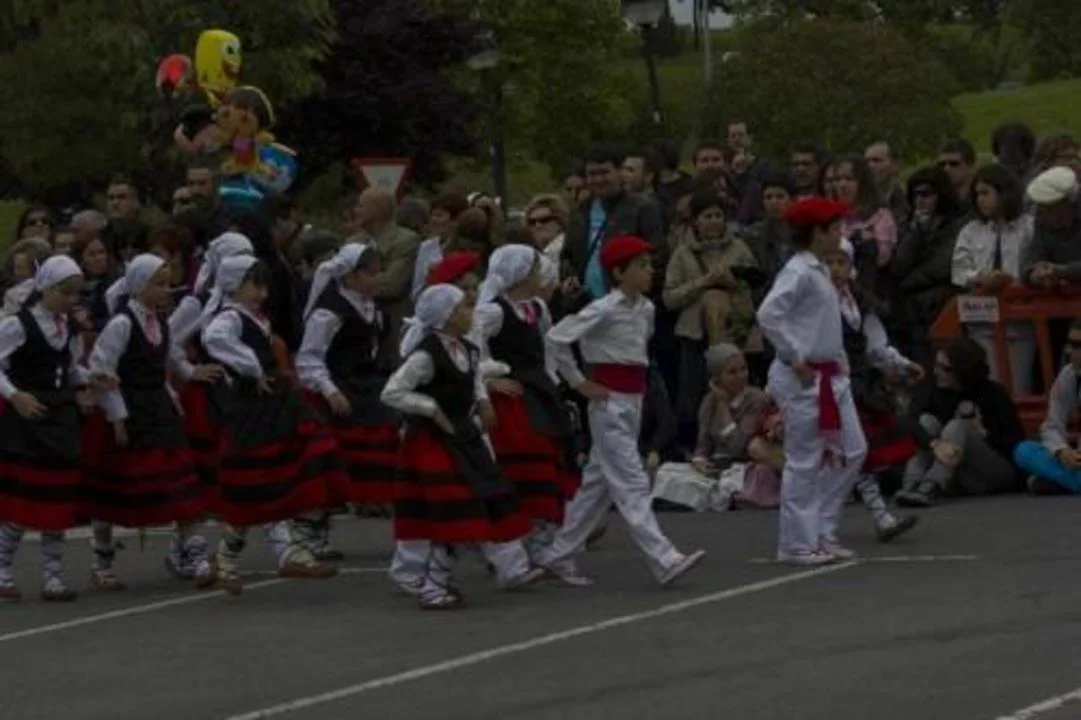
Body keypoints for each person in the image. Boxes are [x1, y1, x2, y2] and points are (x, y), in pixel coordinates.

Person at [538, 235, 706, 586]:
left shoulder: (646, 309)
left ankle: (558, 553)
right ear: (618, 272)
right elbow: (556, 338)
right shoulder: (603, 309)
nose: (649, 271)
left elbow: (637, 355)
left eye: (649, 265)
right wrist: (579, 382)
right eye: (641, 266)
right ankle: (663, 558)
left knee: (597, 485)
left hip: (633, 400)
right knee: (631, 481)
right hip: (608, 403)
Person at [381, 284, 543, 609]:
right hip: (434, 441)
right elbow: (392, 392)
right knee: (456, 509)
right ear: (447, 316)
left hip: (463, 436)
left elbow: (472, 377)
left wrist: (482, 398)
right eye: (464, 308)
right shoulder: (426, 355)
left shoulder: (467, 350)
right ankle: (433, 585)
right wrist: (430, 408)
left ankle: (446, 579)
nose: (471, 313)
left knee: (479, 503)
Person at [200, 256, 345, 595]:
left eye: (264, 286)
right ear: (233, 284)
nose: (262, 294)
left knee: (305, 462)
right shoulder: (229, 317)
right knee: (254, 485)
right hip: (252, 409)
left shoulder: (254, 317)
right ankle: (226, 560)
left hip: (277, 402)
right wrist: (252, 368)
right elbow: (214, 339)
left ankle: (294, 546)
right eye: (254, 285)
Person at [84, 255, 223, 589]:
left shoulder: (159, 322)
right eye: (158, 284)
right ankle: (101, 563)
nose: (165, 291)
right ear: (138, 285)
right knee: (111, 493)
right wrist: (117, 414)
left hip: (159, 410)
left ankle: (198, 560)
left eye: (167, 284)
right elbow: (102, 369)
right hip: (128, 411)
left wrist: (191, 373)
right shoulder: (121, 324)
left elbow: (171, 355)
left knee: (182, 485)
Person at [756, 197, 868, 565]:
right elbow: (769, 314)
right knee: (804, 460)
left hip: (831, 372)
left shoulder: (819, 270)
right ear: (817, 233)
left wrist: (839, 360)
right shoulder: (799, 271)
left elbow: (822, 324)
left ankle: (821, 527)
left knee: (852, 449)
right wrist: (794, 355)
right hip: (804, 377)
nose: (841, 234)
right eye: (835, 228)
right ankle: (796, 542)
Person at [296, 244, 401, 558]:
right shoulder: (329, 312)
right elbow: (309, 357)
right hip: (336, 390)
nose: (378, 278)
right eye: (370, 273)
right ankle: (310, 535)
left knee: (379, 450)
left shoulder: (372, 310)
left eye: (379, 271)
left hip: (365, 388)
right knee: (329, 466)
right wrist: (329, 390)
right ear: (349, 276)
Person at [471, 245, 577, 547]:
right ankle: (516, 536)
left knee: (549, 455)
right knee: (525, 458)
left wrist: (559, 382)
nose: (539, 273)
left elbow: (549, 347)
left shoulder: (536, 308)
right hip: (514, 396)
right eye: (533, 269)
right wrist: (490, 379)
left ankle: (540, 534)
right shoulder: (493, 311)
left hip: (539, 390)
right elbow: (472, 348)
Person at [0, 256, 91, 601]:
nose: (71, 300)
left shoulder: (68, 328)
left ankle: (53, 575)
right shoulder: (18, 324)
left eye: (76, 294)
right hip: (29, 417)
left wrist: (90, 380)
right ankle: (2, 568)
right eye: (65, 292)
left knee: (58, 500)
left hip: (60, 416)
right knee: (24, 501)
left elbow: (69, 369)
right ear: (46, 289)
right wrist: (14, 395)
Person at [825, 240, 921, 542]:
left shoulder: (859, 303)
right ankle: (819, 525)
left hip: (856, 384)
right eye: (829, 262)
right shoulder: (816, 303)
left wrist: (902, 364)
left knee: (857, 453)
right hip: (825, 384)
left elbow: (876, 345)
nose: (835, 269)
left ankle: (879, 517)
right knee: (837, 456)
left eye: (841, 262)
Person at [664, 190, 759, 446]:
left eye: (718, 215)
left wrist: (733, 282)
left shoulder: (739, 247)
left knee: (738, 392)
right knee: (693, 396)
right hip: (695, 335)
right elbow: (670, 297)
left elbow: (754, 284)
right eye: (707, 216)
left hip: (734, 332)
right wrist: (703, 283)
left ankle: (737, 441)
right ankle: (695, 445)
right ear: (695, 220)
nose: (714, 221)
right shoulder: (682, 253)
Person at [895, 337, 1024, 506]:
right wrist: (934, 443)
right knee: (926, 421)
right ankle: (912, 483)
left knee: (957, 426)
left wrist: (984, 433)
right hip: (955, 471)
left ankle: (932, 486)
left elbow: (1016, 444)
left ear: (962, 371)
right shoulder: (935, 390)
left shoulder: (993, 393)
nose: (936, 372)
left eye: (945, 369)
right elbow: (909, 420)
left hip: (991, 472)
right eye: (936, 365)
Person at [951, 164, 1035, 393]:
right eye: (977, 194)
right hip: (981, 321)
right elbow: (959, 272)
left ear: (1004, 193)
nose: (980, 200)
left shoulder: (1028, 227)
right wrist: (980, 278)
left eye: (986, 193)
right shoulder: (971, 231)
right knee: (989, 384)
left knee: (1018, 386)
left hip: (1020, 322)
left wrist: (1009, 280)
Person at [692, 343, 780, 509]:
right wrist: (699, 461)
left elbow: (738, 446)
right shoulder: (708, 402)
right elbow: (703, 443)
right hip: (716, 467)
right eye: (732, 372)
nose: (740, 376)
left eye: (743, 369)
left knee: (759, 475)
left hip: (744, 465)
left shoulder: (756, 400)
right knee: (667, 473)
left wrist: (723, 405)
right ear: (717, 378)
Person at [1015, 319, 1081, 494]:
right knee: (1024, 450)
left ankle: (1058, 483)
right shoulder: (1069, 376)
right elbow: (1051, 425)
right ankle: (1070, 482)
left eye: (1077, 345)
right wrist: (1061, 451)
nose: (1069, 351)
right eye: (1069, 344)